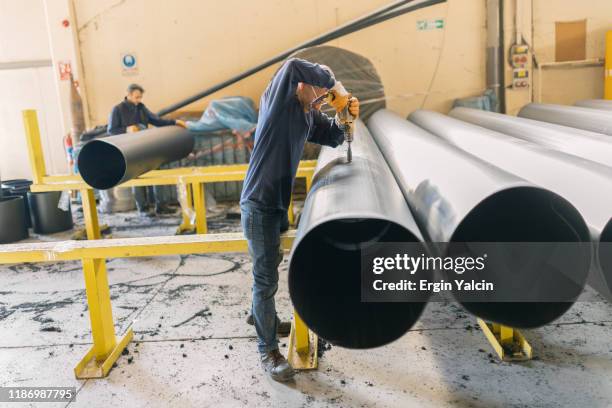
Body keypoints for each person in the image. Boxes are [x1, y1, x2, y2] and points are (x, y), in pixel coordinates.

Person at [240, 58, 359, 382]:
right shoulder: (279, 102)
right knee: (265, 280)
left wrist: (343, 116)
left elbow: (334, 137)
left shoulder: (309, 115)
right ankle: (268, 351)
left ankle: (259, 314)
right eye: (319, 92)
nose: (321, 98)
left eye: (325, 97)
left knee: (270, 265)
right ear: (303, 86)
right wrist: (336, 86)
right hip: (258, 205)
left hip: (276, 205)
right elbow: (293, 65)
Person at [107, 83, 187, 215]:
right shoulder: (118, 109)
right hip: (130, 151)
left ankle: (161, 206)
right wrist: (126, 129)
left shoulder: (141, 108)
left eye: (140, 97)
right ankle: (143, 208)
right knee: (137, 179)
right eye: (136, 97)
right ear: (129, 95)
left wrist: (175, 122)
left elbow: (156, 120)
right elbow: (111, 130)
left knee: (157, 175)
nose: (139, 100)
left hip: (147, 148)